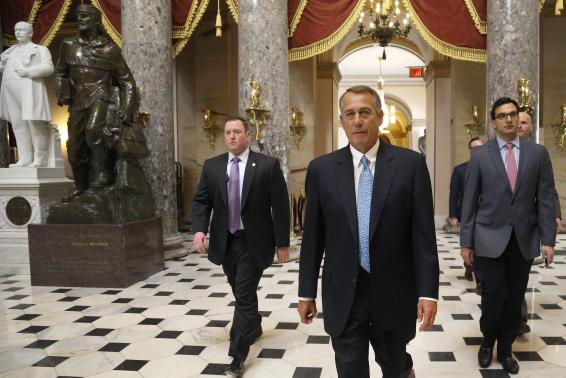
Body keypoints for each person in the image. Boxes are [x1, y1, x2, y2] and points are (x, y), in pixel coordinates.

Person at [298, 85, 439, 378]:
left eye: (365, 112)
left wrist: (428, 292)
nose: (357, 120)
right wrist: (306, 291)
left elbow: (422, 235)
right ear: (341, 121)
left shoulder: (409, 165)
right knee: (350, 370)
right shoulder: (322, 170)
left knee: (395, 365)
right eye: (350, 114)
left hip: (394, 290)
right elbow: (313, 238)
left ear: (379, 117)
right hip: (344, 293)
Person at [460, 97, 556, 375]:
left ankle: (505, 349)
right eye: (502, 116)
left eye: (513, 114)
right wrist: (466, 242)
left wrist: (547, 240)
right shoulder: (480, 155)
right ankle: (487, 341)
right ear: (494, 122)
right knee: (492, 297)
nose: (509, 119)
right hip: (487, 238)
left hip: (523, 240)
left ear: (519, 118)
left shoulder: (537, 153)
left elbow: (546, 198)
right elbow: (469, 201)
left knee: (514, 299)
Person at [192, 117, 290, 377]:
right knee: (239, 289)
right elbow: (202, 201)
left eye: (237, 131)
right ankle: (254, 324)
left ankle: (237, 356)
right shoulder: (212, 166)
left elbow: (280, 207)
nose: (232, 136)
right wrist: (200, 230)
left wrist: (283, 243)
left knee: (244, 293)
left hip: (254, 241)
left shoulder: (267, 166)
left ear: (248, 135)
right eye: (228, 132)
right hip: (225, 242)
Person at [54, 4, 137, 197]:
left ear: (96, 21)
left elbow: (127, 81)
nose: (81, 19)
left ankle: (105, 174)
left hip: (102, 96)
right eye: (78, 16)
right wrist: (60, 89)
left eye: (85, 16)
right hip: (78, 101)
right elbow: (59, 72)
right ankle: (81, 189)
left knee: (93, 131)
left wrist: (127, 107)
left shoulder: (109, 49)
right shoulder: (68, 45)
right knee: (74, 149)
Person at [0, 21, 53, 167]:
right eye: (16, 30)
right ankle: (25, 158)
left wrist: (29, 72)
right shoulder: (10, 51)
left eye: (22, 30)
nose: (18, 32)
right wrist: (3, 64)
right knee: (18, 124)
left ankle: (40, 158)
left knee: (34, 123)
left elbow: (49, 68)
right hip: (10, 92)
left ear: (30, 33)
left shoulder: (40, 50)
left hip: (29, 90)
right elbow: (4, 69)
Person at [448, 137, 484, 280]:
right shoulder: (460, 170)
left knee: (482, 245)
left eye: (480, 148)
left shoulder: (491, 168)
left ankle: (480, 277)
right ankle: (469, 266)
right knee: (469, 242)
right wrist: (453, 215)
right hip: (467, 214)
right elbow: (454, 194)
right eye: (474, 148)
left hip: (486, 214)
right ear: (470, 150)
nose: (477, 151)